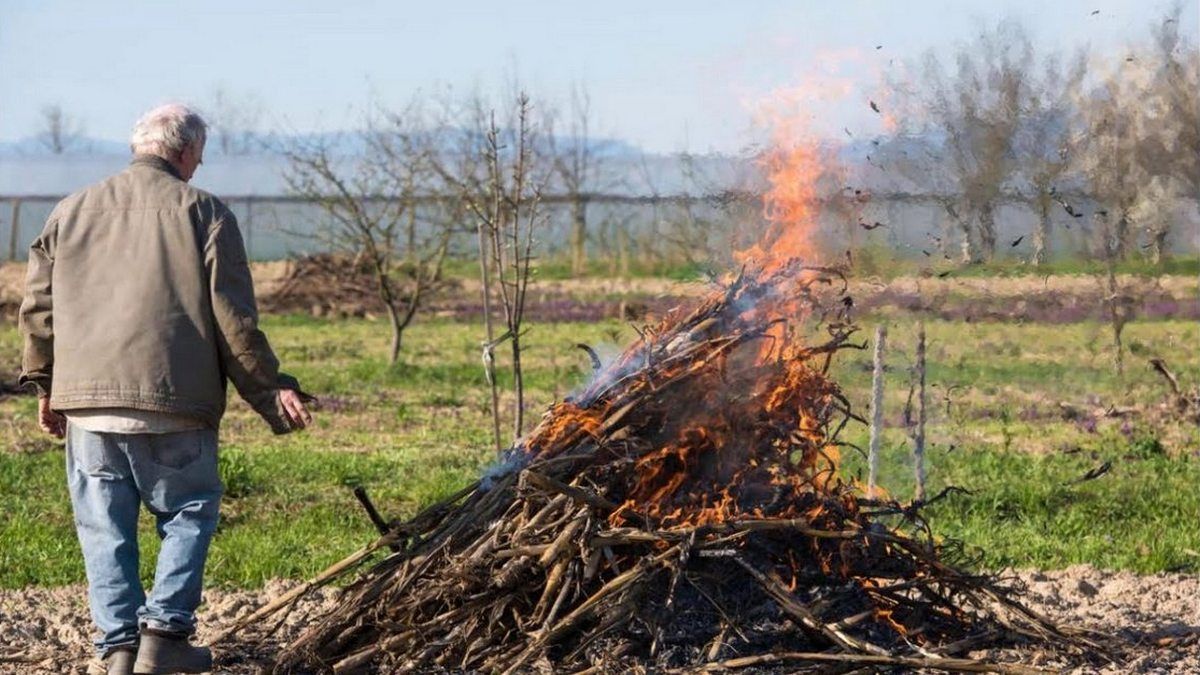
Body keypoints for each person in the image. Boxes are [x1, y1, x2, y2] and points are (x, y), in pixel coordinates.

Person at [18, 103, 313, 675]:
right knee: (190, 512)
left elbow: (39, 310)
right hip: (175, 402)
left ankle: (118, 649)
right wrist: (271, 392)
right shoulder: (205, 212)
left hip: (89, 408)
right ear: (182, 152)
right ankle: (165, 635)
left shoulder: (70, 210)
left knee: (103, 528)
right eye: (198, 157)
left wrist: (46, 387)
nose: (198, 168)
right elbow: (234, 320)